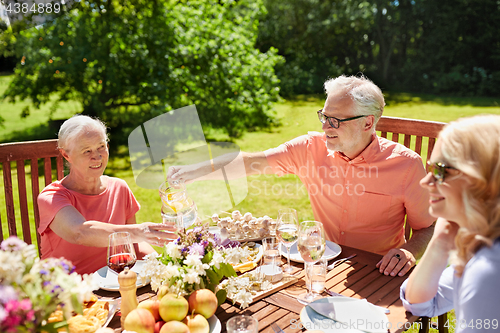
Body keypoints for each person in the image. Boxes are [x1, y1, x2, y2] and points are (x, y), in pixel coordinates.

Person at [168, 75, 435, 276]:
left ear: (368, 123)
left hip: (378, 270)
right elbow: (250, 163)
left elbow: (429, 226)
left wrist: (408, 252)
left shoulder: (406, 166)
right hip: (324, 262)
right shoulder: (309, 149)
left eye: (336, 121)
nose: (324, 127)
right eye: (324, 116)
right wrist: (192, 172)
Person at [37, 115, 176, 275]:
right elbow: (79, 232)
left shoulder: (119, 188)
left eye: (101, 146)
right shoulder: (52, 197)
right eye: (86, 150)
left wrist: (165, 268)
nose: (97, 156)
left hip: (114, 286)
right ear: (66, 155)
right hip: (68, 291)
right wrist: (139, 232)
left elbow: (134, 247)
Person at [400, 115, 500, 329]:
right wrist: (440, 242)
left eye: (440, 171)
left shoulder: (490, 271)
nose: (425, 181)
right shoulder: (483, 244)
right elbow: (420, 303)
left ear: (483, 181)